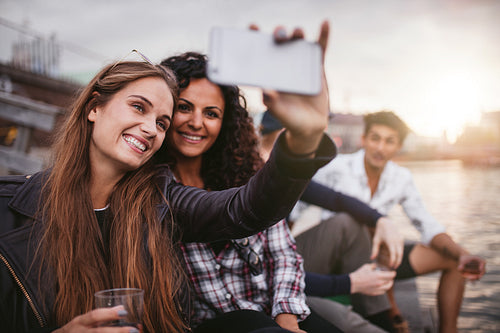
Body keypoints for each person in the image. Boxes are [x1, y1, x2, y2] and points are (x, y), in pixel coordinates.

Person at [0, 22, 336, 333]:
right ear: (94, 107)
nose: (150, 128)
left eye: (162, 121)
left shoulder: (161, 198)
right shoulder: (10, 208)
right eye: (138, 107)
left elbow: (245, 209)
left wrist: (303, 140)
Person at [295, 110, 487, 333]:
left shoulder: (401, 177)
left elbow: (426, 224)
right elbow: (293, 209)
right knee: (354, 223)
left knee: (453, 259)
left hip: (380, 256)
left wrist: (462, 253)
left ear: (398, 146)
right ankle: (387, 313)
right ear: (363, 139)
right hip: (340, 259)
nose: (380, 147)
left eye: (389, 141)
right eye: (375, 138)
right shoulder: (335, 167)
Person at [260, 110, 401, 333]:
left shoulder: (285, 171)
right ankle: (380, 318)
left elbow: (335, 199)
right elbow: (265, 272)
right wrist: (350, 282)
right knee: (346, 323)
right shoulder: (248, 177)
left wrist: (381, 220)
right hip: (268, 286)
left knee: (348, 222)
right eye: (310, 133)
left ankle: (380, 314)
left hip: (283, 270)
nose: (316, 141)